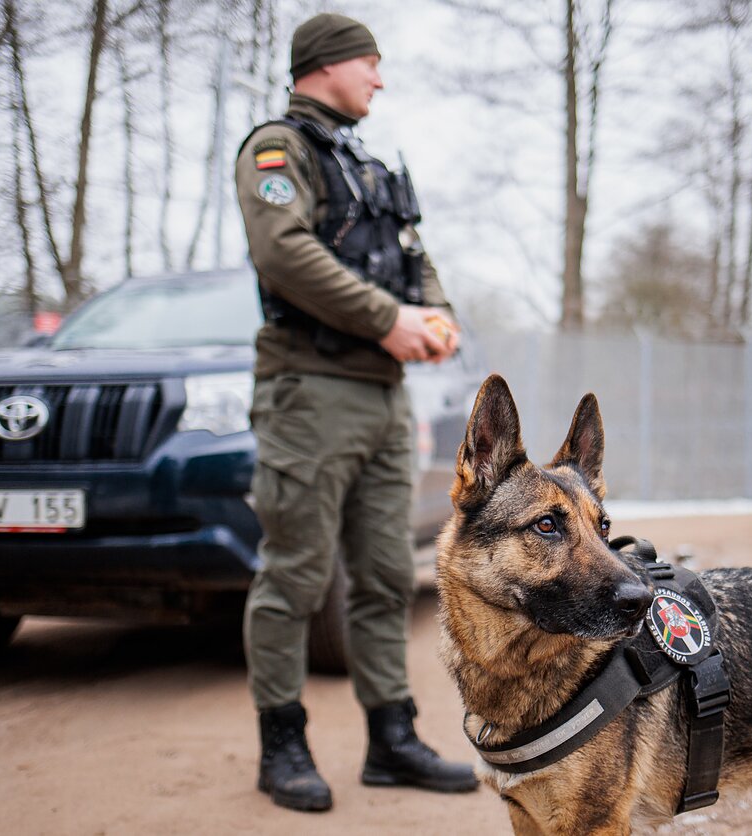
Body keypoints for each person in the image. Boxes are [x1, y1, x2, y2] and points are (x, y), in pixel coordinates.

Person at [233, 12, 478, 813]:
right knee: (296, 576)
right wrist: (386, 318)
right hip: (310, 393)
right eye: (370, 63)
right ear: (326, 64)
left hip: (384, 398)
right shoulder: (280, 149)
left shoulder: (368, 164)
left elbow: (417, 258)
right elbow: (282, 251)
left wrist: (433, 316)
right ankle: (282, 745)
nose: (380, 77)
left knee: (381, 577)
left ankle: (392, 740)